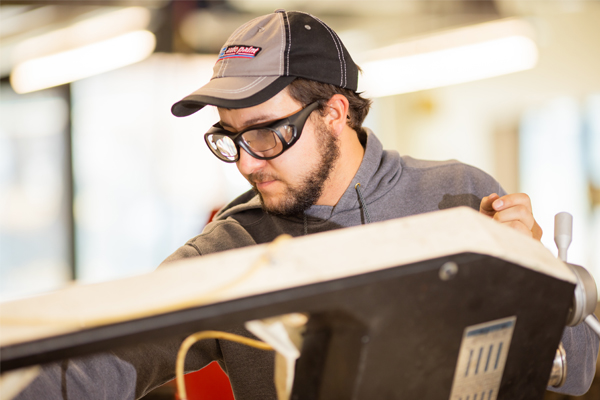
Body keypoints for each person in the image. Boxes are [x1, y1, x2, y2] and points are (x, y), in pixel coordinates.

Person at [16, 10, 598, 400]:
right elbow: (96, 369)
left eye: (267, 133)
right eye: (231, 137)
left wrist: (538, 278)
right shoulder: (230, 253)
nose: (246, 162)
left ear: (333, 114)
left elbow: (580, 368)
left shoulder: (459, 198)